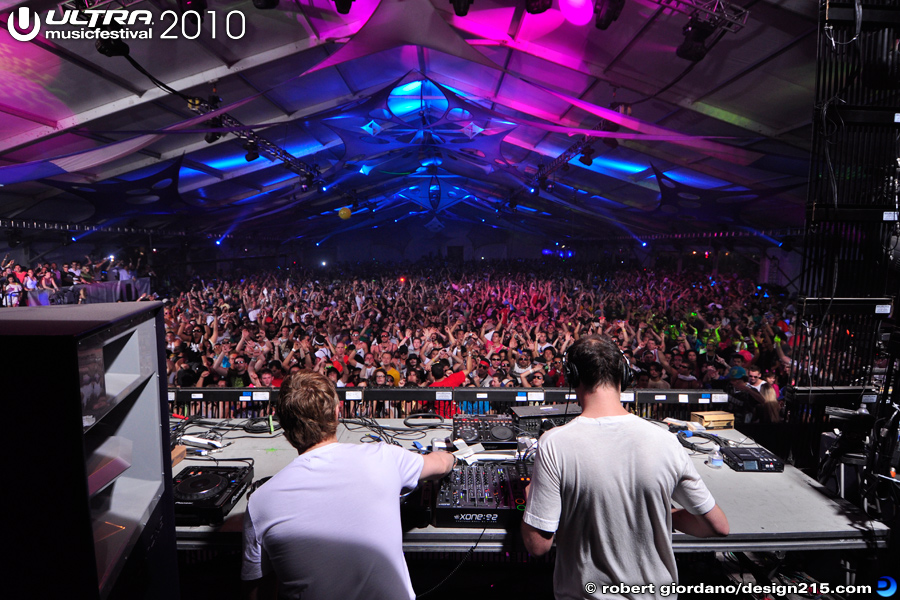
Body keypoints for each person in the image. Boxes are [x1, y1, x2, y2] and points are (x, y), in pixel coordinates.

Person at [522, 335, 729, 599]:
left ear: (572, 376)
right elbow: (717, 526)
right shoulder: (666, 440)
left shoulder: (554, 444)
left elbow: (538, 545)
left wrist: (533, 501)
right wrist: (660, 513)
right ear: (624, 374)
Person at [241, 371, 456, 600]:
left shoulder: (260, 503)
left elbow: (258, 592)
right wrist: (454, 454)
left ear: (281, 423)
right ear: (337, 412)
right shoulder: (384, 456)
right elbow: (441, 464)